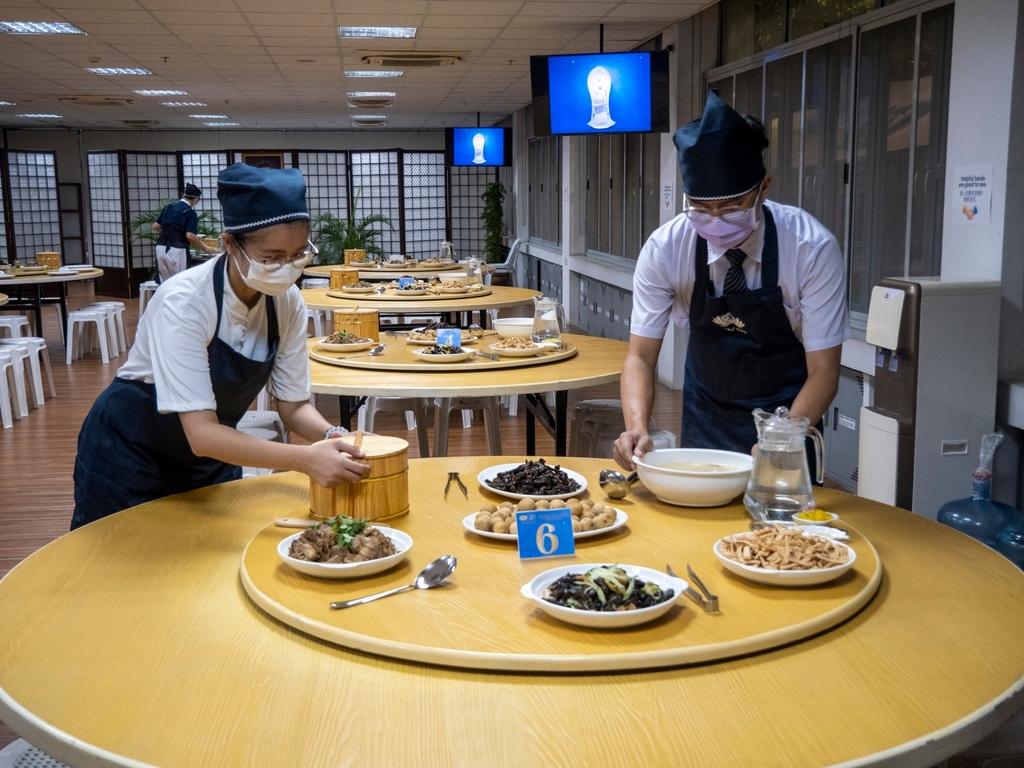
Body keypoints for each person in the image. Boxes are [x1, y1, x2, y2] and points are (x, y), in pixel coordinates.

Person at [72, 163, 369, 529]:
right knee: (123, 571)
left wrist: (331, 436)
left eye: (297, 256)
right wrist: (306, 459)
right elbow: (201, 433)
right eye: (271, 258)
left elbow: (292, 407)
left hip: (210, 458)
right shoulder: (185, 302)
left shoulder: (287, 301)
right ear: (229, 244)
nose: (286, 268)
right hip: (130, 453)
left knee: (210, 570)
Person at [614, 91, 849, 471]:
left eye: (731, 207)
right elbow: (640, 356)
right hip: (706, 417)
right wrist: (637, 428)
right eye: (702, 209)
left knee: (781, 530)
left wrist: (781, 437)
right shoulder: (666, 249)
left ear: (764, 188)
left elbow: (825, 370)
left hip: (788, 418)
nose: (716, 220)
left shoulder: (810, 248)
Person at [153, 182, 216, 281]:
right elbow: (190, 236)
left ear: (183, 195)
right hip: (177, 250)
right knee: (180, 280)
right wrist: (205, 248)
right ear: (196, 199)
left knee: (164, 282)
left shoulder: (169, 207)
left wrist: (168, 235)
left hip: (160, 247)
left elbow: (156, 226)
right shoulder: (190, 213)